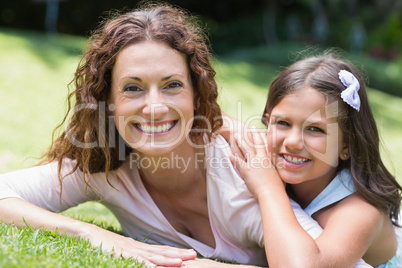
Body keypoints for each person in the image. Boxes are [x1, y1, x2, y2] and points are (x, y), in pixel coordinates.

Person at [230, 53, 402, 267]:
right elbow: (227, 125)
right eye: (282, 123)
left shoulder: (360, 210)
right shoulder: (271, 149)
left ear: (346, 145)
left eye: (315, 129)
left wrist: (268, 189)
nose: (293, 142)